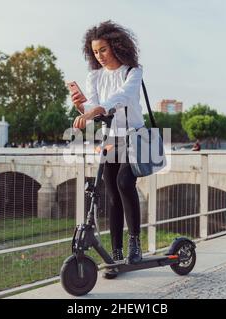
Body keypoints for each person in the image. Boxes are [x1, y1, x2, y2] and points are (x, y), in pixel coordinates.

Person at [71, 21, 145, 269]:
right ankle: (116, 253)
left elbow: (122, 97)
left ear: (115, 46)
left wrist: (95, 109)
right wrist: (82, 107)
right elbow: (93, 108)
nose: (99, 56)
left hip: (135, 136)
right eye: (94, 52)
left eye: (103, 49)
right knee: (112, 195)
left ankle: (135, 242)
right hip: (111, 139)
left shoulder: (132, 72)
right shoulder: (94, 76)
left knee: (125, 182)